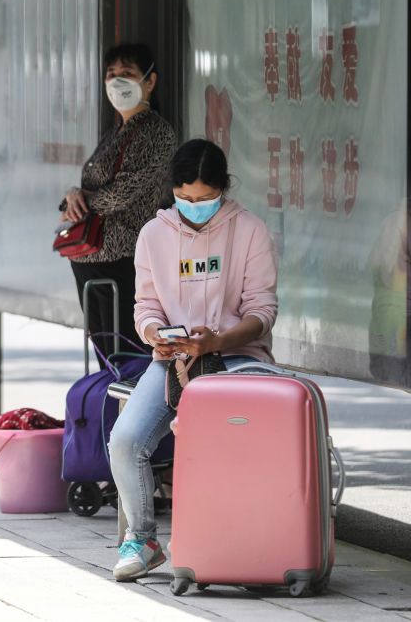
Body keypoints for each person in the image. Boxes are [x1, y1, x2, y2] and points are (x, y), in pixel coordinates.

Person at [108, 139, 278, 582]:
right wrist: (154, 338)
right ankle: (142, 540)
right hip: (173, 362)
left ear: (223, 189)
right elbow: (145, 308)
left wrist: (219, 341)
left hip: (238, 360)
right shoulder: (154, 234)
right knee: (125, 441)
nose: (193, 207)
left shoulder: (249, 230)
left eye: (204, 200)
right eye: (184, 198)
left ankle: (234, 539)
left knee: (212, 438)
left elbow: (262, 312)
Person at [60, 43, 177, 357]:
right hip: (91, 258)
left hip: (124, 259)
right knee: (105, 355)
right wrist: (73, 197)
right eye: (111, 74)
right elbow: (94, 188)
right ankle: (111, 407)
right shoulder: (116, 131)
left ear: (149, 82)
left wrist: (82, 199)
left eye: (127, 74)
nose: (117, 81)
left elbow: (123, 191)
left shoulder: (154, 132)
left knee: (127, 352)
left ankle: (132, 407)